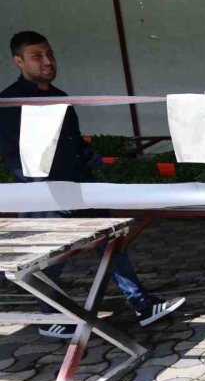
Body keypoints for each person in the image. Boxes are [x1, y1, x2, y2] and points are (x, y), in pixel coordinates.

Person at [0, 31, 184, 337]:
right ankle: (49, 318)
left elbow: (72, 141)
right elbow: (11, 154)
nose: (47, 61)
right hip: (45, 194)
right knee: (49, 260)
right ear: (18, 61)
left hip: (82, 187)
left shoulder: (60, 96)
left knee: (112, 243)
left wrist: (91, 158)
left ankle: (142, 305)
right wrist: (41, 189)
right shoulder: (10, 102)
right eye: (37, 56)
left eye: (50, 54)